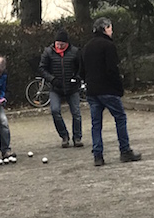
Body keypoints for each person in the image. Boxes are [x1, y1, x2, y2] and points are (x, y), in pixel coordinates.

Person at [81, 17, 141, 166]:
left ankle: (98, 155)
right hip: (107, 89)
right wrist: (118, 88)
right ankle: (125, 150)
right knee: (120, 118)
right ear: (105, 28)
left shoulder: (86, 47)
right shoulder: (108, 46)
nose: (112, 30)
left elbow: (82, 70)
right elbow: (112, 69)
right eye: (110, 28)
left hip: (92, 90)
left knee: (96, 123)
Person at [38, 28, 84, 148]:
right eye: (58, 43)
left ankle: (77, 137)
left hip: (72, 87)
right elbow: (42, 68)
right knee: (55, 111)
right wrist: (52, 79)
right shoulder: (48, 52)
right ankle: (64, 136)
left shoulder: (75, 51)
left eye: (62, 44)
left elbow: (81, 67)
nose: (59, 46)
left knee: (76, 113)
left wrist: (77, 78)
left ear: (66, 43)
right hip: (55, 88)